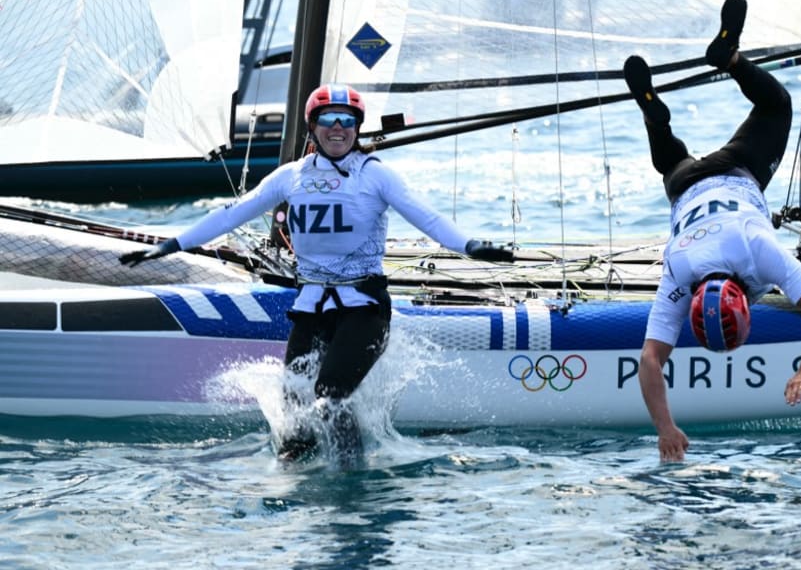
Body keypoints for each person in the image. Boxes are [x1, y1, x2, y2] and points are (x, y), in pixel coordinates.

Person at [119, 83, 514, 461]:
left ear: (358, 128)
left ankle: (349, 476)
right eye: (328, 120)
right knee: (293, 404)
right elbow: (230, 214)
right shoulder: (290, 177)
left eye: (346, 120)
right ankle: (295, 473)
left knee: (329, 393)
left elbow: (426, 216)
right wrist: (170, 245)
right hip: (312, 308)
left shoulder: (374, 174)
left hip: (364, 309)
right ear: (314, 127)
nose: (337, 128)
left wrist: (470, 246)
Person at [622, 0, 801, 462]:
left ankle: (730, 60)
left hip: (738, 171)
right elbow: (650, 360)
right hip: (684, 186)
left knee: (778, 104)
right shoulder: (679, 269)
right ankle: (654, 117)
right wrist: (664, 427)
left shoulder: (758, 248)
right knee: (669, 162)